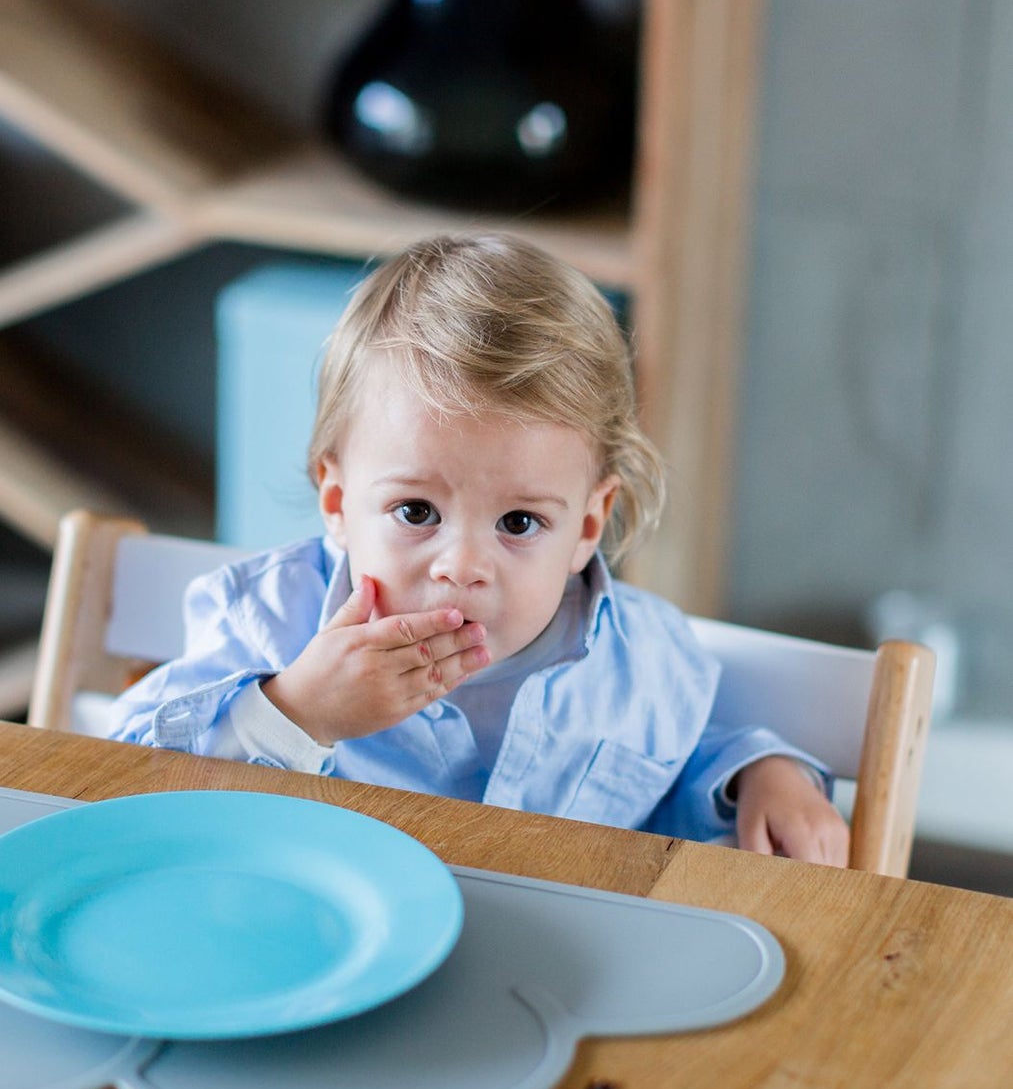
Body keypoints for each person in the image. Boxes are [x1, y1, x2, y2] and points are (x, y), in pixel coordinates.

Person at [107, 233, 849, 864]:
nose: (460, 566)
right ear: (337, 503)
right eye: (416, 510)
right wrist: (298, 710)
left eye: (519, 522)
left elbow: (681, 770)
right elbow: (116, 775)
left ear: (587, 526)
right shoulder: (266, 620)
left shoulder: (640, 665)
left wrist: (764, 772)